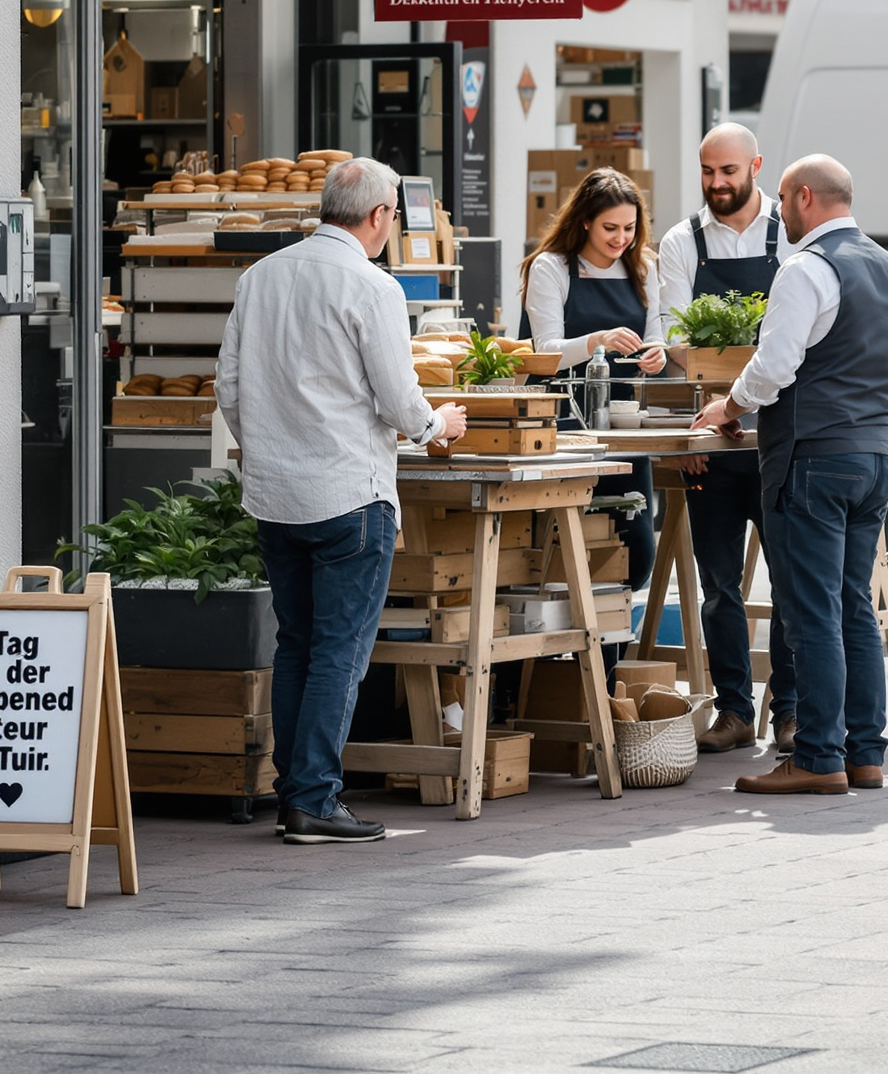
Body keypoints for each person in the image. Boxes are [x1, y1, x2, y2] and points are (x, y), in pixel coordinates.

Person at [218, 157, 468, 845]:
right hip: (349, 494)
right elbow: (398, 396)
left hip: (276, 496)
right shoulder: (373, 285)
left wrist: (267, 445)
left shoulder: (259, 278)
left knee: (297, 644)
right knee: (338, 652)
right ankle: (314, 800)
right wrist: (435, 425)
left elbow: (229, 389)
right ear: (380, 215)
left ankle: (294, 794)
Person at [694, 154, 888, 796]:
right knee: (854, 608)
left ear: (806, 199)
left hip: (812, 458)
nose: (779, 212)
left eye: (784, 200)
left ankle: (818, 759)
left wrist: (728, 407)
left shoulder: (806, 269)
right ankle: (864, 753)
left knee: (812, 611)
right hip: (872, 453)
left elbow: (774, 365)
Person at [655, 124, 794, 755]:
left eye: (729, 172)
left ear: (756, 166)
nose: (717, 184)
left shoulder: (789, 236)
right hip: (711, 441)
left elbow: (800, 338)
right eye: (709, 171)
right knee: (718, 587)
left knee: (791, 580)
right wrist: (700, 429)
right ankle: (735, 711)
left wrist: (743, 397)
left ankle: (789, 711)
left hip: (776, 442)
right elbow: (676, 342)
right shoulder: (681, 241)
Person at [523, 166, 667, 597]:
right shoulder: (550, 268)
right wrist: (597, 341)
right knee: (556, 549)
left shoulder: (643, 267)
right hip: (561, 427)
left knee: (635, 550)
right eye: (609, 228)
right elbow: (545, 350)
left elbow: (656, 331)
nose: (620, 238)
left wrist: (657, 354)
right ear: (584, 220)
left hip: (623, 425)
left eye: (629, 227)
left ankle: (611, 652)